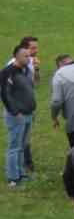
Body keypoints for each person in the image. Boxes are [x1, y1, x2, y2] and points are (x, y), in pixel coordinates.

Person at [2, 44, 36, 188]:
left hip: (28, 113)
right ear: (15, 56)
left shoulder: (26, 69)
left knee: (22, 146)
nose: (29, 59)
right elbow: (4, 94)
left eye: (29, 56)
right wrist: (15, 112)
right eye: (25, 56)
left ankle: (21, 173)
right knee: (14, 146)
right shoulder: (7, 72)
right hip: (17, 115)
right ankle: (12, 177)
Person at [19, 36, 38, 174]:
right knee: (21, 138)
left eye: (36, 47)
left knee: (26, 136)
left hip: (29, 105)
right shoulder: (13, 65)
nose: (35, 50)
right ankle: (23, 166)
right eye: (32, 48)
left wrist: (36, 69)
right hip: (19, 108)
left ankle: (26, 163)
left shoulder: (31, 61)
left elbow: (35, 83)